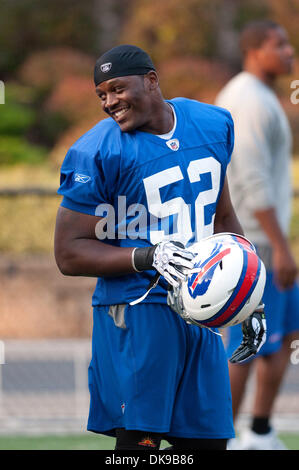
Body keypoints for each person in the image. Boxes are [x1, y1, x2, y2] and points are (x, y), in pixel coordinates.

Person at [54, 44, 265, 451]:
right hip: (136, 310)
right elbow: (68, 252)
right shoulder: (96, 150)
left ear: (151, 81)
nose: (109, 102)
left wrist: (249, 299)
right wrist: (147, 256)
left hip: (200, 308)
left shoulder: (212, 122)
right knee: (140, 444)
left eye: (117, 88)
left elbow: (221, 219)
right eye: (101, 94)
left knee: (208, 442)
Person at [216, 20, 299, 450]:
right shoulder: (246, 99)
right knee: (247, 344)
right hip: (254, 246)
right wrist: (281, 248)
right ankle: (224, 437)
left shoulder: (263, 96)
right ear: (253, 50)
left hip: (266, 243)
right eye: (278, 45)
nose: (288, 52)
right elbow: (249, 179)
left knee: (284, 335)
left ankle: (260, 431)